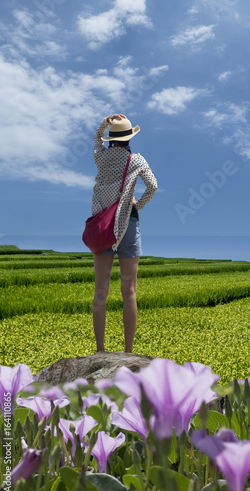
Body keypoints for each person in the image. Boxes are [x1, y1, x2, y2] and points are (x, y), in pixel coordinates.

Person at [90, 114, 158, 353]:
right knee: (129, 290)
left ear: (111, 139)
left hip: (103, 227)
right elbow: (153, 185)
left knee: (101, 290)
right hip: (128, 223)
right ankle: (128, 353)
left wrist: (104, 123)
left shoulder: (101, 158)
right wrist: (138, 204)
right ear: (129, 138)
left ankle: (100, 351)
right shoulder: (136, 159)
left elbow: (97, 140)